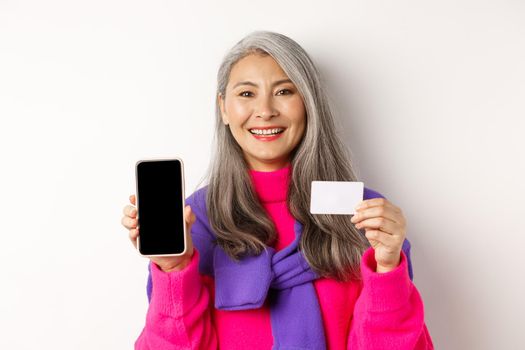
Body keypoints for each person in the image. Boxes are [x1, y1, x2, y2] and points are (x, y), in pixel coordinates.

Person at [121, 30, 434, 349]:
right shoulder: (195, 221)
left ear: (308, 103)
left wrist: (387, 269)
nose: (266, 110)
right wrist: (173, 268)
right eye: (246, 94)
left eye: (284, 91)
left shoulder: (363, 213)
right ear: (223, 108)